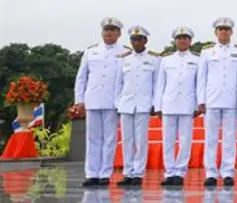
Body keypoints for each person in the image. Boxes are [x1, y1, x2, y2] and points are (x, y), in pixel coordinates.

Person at [75, 17, 128, 187]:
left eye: (112, 30)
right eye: (106, 29)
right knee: (92, 138)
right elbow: (81, 78)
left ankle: (105, 173)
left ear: (119, 33)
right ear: (102, 32)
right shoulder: (91, 52)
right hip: (93, 100)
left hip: (113, 101)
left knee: (110, 139)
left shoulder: (125, 52)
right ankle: (91, 173)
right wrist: (79, 100)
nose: (109, 33)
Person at [197, 17, 237, 187]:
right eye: (220, 29)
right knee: (210, 138)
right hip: (211, 100)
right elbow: (201, 78)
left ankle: (227, 172)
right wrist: (201, 100)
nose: (223, 32)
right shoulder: (207, 52)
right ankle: (210, 172)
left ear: (231, 32)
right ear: (215, 32)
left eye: (226, 29)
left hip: (231, 100)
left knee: (229, 138)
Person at [115, 25, 160, 187]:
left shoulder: (155, 59)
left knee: (141, 140)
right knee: (127, 140)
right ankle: (128, 173)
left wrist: (155, 104)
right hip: (126, 104)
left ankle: (138, 173)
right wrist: (117, 102)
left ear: (145, 40)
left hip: (143, 104)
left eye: (139, 39)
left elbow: (157, 84)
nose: (136, 42)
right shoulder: (124, 58)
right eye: (133, 39)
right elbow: (118, 84)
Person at [156, 26, 200, 187]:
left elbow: (199, 84)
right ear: (175, 41)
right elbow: (160, 85)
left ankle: (180, 172)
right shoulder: (166, 60)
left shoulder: (197, 59)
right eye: (179, 38)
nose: (182, 40)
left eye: (185, 38)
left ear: (190, 41)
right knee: (168, 140)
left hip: (188, 104)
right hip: (168, 104)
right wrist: (158, 106)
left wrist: (198, 104)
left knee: (185, 140)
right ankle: (169, 172)